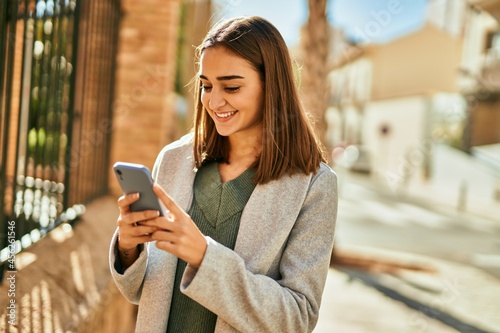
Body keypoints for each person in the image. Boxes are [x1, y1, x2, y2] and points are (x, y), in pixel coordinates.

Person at [109, 16, 338, 333]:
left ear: (271, 85)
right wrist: (128, 248)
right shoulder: (174, 159)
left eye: (231, 86)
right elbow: (140, 291)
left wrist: (205, 257)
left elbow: (297, 318)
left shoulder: (314, 186)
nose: (214, 101)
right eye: (206, 85)